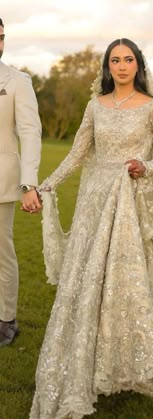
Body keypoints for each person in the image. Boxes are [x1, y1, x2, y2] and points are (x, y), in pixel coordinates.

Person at [30, 38, 153, 418]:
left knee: (128, 282)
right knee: (87, 280)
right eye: (115, 60)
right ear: (107, 66)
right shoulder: (94, 106)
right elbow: (77, 153)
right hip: (93, 202)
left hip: (128, 203)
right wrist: (46, 185)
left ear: (138, 65)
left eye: (128, 59)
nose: (121, 66)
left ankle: (131, 361)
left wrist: (146, 165)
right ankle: (87, 358)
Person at [0, 18, 42, 347]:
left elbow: (30, 133)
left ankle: (5, 321)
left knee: (2, 253)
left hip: (2, 181)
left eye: (1, 37)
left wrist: (29, 183)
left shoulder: (17, 81)